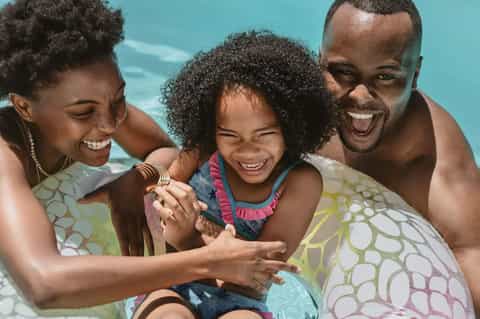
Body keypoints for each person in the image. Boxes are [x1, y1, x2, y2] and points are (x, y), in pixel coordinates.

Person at [0, 1, 299, 317]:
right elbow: (44, 284)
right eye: (83, 112)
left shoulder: (103, 108)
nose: (111, 123)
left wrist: (134, 180)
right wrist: (209, 261)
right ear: (24, 107)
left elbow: (166, 152)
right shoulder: (6, 154)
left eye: (119, 99)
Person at [132, 31, 338, 319]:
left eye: (264, 134)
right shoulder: (200, 152)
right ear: (212, 129)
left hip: (241, 303)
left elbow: (258, 272)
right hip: (172, 283)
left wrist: (189, 238)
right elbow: (156, 225)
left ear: (292, 126)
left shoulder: (300, 182)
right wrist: (168, 215)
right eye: (229, 135)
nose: (248, 151)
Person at [317, 0, 480, 313]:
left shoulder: (436, 170)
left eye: (386, 77)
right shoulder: (295, 109)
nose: (360, 97)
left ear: (415, 74)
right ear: (319, 60)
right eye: (343, 72)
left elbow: (473, 268)